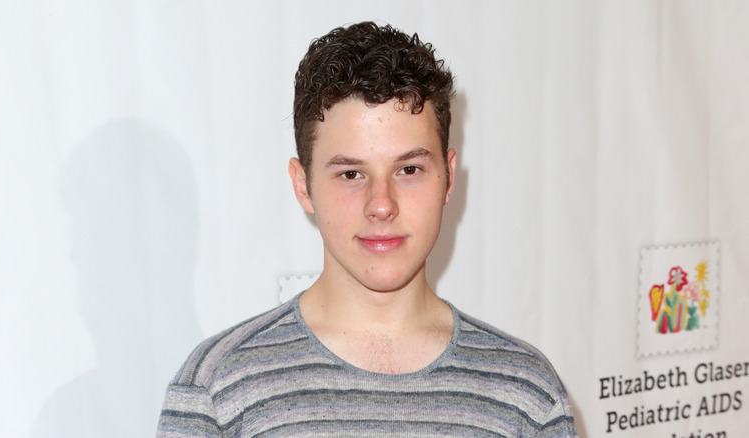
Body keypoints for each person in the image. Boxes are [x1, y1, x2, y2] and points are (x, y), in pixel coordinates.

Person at [157, 21, 578, 437]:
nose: (381, 205)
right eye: (351, 174)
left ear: (448, 177)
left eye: (409, 169)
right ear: (303, 186)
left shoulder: (527, 395)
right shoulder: (217, 388)